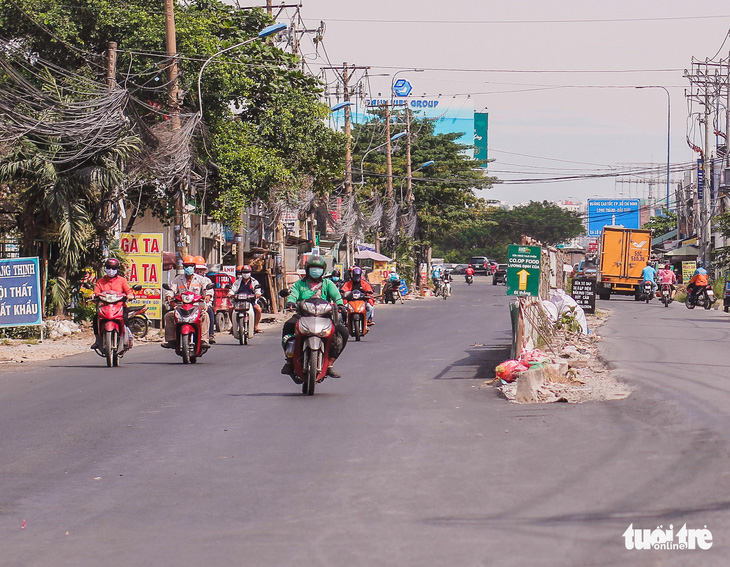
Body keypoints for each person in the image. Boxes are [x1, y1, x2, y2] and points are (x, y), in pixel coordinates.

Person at [280, 255, 348, 380]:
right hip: (303, 316)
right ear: (307, 269)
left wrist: (340, 305)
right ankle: (289, 361)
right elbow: (293, 295)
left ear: (323, 270)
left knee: (343, 333)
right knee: (288, 327)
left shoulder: (328, 284)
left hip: (324, 317)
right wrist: (290, 302)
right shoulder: (299, 284)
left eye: (318, 268)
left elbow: (337, 297)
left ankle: (330, 364)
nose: (316, 271)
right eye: (313, 268)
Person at [162, 255, 213, 349]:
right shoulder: (177, 279)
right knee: (168, 316)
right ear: (184, 267)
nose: (188, 268)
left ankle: (204, 340)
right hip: (181, 308)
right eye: (186, 266)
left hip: (197, 308)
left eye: (190, 266)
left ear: (194, 267)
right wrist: (169, 296)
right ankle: (171, 340)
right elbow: (171, 290)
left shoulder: (201, 280)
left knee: (205, 316)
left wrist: (208, 296)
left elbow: (208, 290)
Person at [91, 258, 134, 350]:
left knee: (125, 318)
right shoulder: (100, 281)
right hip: (104, 307)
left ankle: (129, 337)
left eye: (114, 268)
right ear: (105, 268)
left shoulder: (122, 281)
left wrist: (129, 295)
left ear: (117, 269)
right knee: (95, 319)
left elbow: (128, 292)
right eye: (108, 267)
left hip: (120, 307)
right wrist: (93, 296)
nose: (111, 270)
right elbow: (96, 292)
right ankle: (97, 339)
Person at [228, 264, 263, 334]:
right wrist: (230, 294)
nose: (245, 274)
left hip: (250, 302)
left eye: (247, 272)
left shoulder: (254, 282)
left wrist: (257, 295)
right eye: (244, 272)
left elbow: (258, 291)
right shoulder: (237, 282)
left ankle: (255, 326)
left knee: (258, 309)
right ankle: (233, 325)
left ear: (250, 273)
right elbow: (232, 290)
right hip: (238, 302)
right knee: (230, 308)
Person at [193, 255, 216, 343]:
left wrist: (206, 304)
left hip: (201, 305)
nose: (199, 272)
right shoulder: (186, 279)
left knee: (209, 311)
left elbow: (209, 295)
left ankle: (210, 334)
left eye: (201, 270)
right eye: (197, 270)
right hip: (189, 304)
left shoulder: (206, 281)